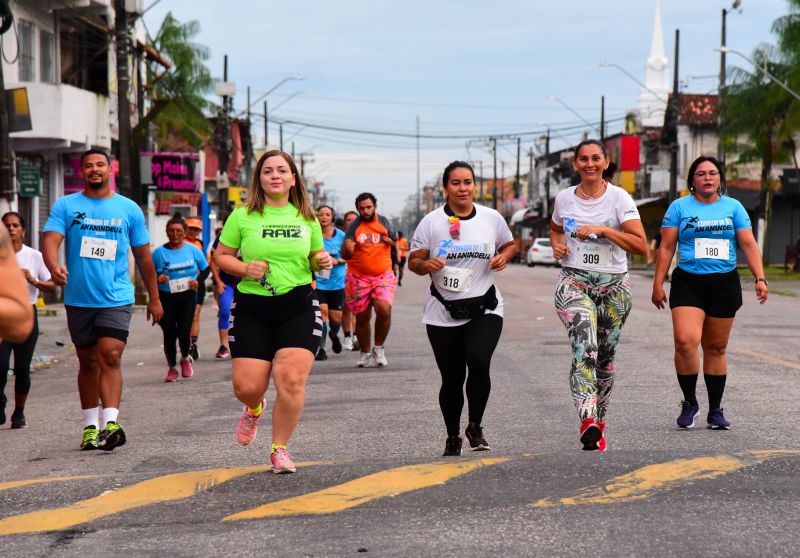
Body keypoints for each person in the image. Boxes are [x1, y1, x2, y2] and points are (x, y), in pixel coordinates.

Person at [214, 150, 331, 474]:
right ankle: (254, 407)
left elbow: (314, 256)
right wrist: (244, 268)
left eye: (282, 170)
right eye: (268, 171)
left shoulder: (306, 217)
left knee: (291, 379)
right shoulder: (243, 217)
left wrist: (321, 261)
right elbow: (222, 256)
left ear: (293, 178)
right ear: (259, 179)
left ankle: (279, 449)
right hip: (253, 306)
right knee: (247, 387)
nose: (275, 175)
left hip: (298, 304)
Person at [42, 148, 163, 451]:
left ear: (111, 170)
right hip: (78, 298)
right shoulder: (67, 206)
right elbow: (50, 241)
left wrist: (154, 297)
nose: (94, 170)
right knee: (87, 362)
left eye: (100, 165)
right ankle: (90, 427)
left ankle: (111, 421)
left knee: (110, 355)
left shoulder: (129, 209)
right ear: (81, 172)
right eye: (88, 166)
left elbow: (144, 256)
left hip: (116, 297)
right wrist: (52, 266)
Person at [408, 161, 516, 456]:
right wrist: (425, 264)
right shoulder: (431, 222)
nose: (463, 188)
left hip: (485, 305)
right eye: (456, 183)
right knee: (452, 378)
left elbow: (509, 244)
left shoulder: (491, 218)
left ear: (474, 186)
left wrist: (503, 257)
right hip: (442, 310)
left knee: (479, 362)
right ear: (445, 188)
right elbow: (413, 261)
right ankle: (453, 435)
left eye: (467, 182)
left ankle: (476, 426)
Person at [652, 156, 767, 430]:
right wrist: (658, 283)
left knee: (716, 347)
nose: (707, 178)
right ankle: (690, 402)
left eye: (712, 173)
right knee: (685, 340)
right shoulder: (678, 207)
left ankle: (715, 410)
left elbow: (748, 244)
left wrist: (760, 278)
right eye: (701, 173)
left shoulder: (734, 207)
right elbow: (667, 247)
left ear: (719, 179)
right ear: (692, 179)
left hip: (723, 283)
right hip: (688, 282)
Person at [550, 139, 647, 451]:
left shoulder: (619, 199)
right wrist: (556, 246)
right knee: (586, 349)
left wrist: (604, 231)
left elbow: (640, 245)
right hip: (573, 283)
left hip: (614, 288)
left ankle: (598, 422)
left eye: (595, 158)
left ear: (606, 162)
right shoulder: (564, 199)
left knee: (605, 358)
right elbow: (555, 229)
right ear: (575, 165)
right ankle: (587, 419)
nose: (589, 164)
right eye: (583, 159)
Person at [0, 212, 55, 428]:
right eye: (7, 226)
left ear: (23, 230)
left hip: (26, 314)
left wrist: (32, 279)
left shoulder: (34, 256)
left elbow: (53, 284)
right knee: (1, 365)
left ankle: (19, 412)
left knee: (22, 367)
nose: (11, 229)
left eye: (15, 225)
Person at [341, 193, 397, 368]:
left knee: (384, 309)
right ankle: (365, 353)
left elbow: (394, 240)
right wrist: (348, 250)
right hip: (358, 278)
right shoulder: (354, 226)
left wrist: (391, 242)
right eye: (362, 208)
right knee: (363, 316)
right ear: (358, 209)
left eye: (368, 207)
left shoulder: (385, 222)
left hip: (383, 275)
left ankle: (378, 348)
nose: (365, 211)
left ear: (375, 206)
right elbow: (345, 254)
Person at [152, 213, 209, 382]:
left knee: (184, 331)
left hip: (187, 296)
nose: (175, 234)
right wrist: (157, 278)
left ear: (184, 232)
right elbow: (148, 274)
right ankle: (171, 368)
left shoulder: (193, 250)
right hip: (166, 297)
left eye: (178, 231)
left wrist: (197, 281)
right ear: (166, 232)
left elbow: (206, 269)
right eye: (171, 231)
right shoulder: (158, 253)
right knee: (169, 333)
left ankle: (185, 357)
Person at [314, 205, 347, 361]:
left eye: (327, 214)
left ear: (332, 217)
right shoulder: (312, 234)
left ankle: (334, 334)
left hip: (337, 283)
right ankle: (322, 348)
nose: (324, 217)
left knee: (336, 318)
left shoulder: (341, 236)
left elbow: (350, 256)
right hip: (319, 282)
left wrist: (336, 260)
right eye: (321, 214)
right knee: (322, 313)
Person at [208, 216, 238, 360]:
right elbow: (212, 261)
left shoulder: (251, 233)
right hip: (227, 282)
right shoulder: (221, 238)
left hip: (247, 282)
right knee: (225, 310)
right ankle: (224, 346)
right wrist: (218, 281)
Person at [185, 216, 205, 361]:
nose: (193, 231)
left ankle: (193, 346)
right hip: (181, 284)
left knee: (195, 316)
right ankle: (185, 344)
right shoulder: (178, 242)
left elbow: (205, 266)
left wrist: (199, 279)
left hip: (198, 283)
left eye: (196, 229)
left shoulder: (200, 244)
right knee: (185, 317)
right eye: (191, 228)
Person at [339, 210, 359, 351]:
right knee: (346, 307)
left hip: (359, 276)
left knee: (358, 308)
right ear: (345, 222)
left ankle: (357, 335)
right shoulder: (340, 236)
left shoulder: (362, 236)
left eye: (354, 219)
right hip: (341, 276)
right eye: (348, 220)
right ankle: (347, 336)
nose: (351, 222)